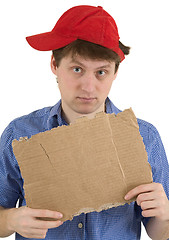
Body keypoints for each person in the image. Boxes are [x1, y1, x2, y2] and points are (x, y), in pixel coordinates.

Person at [0, 5, 169, 240]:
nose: (88, 87)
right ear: (54, 65)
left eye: (101, 72)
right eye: (77, 69)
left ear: (115, 73)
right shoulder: (20, 134)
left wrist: (164, 216)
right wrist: (10, 220)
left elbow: (159, 233)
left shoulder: (145, 137)